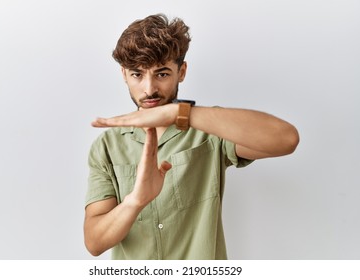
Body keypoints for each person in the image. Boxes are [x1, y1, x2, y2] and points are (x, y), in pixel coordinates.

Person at [84, 14, 299, 260]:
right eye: (137, 74)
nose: (149, 88)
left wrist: (181, 113)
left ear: (181, 71)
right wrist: (135, 201)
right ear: (124, 74)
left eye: (162, 74)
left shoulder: (211, 129)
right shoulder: (106, 147)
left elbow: (286, 139)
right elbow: (94, 242)